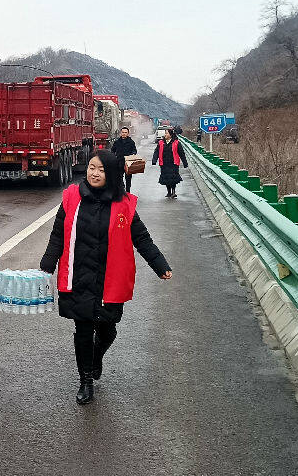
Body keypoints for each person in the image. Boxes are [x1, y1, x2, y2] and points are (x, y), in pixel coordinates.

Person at [40, 150, 172, 405]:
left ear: (110, 173)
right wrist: (47, 263)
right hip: (79, 276)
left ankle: (96, 357)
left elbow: (142, 239)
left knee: (108, 329)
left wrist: (159, 265)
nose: (94, 173)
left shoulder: (124, 204)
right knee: (82, 329)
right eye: (91, 167)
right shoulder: (71, 198)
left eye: (100, 169)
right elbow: (58, 233)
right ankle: (86, 380)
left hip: (110, 279)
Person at [152, 128, 187, 198]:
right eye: (165, 133)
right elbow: (156, 152)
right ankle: (169, 192)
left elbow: (181, 153)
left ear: (171, 135)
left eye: (167, 133)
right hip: (164, 163)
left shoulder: (176, 143)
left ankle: (173, 192)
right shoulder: (161, 143)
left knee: (173, 178)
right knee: (166, 178)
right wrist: (154, 160)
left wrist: (185, 163)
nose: (165, 134)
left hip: (173, 163)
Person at [111, 127, 137, 193]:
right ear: (120, 133)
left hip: (128, 163)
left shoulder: (131, 142)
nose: (124, 134)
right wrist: (113, 157)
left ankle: (128, 192)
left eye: (125, 132)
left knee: (128, 178)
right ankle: (121, 190)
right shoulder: (117, 142)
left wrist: (133, 154)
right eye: (123, 132)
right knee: (119, 178)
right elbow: (112, 150)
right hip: (119, 162)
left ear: (128, 133)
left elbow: (134, 150)